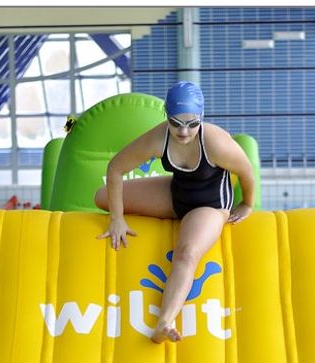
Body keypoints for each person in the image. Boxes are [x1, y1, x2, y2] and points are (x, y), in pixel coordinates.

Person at [95, 81, 255, 344]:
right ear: (166, 115)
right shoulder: (159, 138)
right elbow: (116, 168)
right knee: (102, 197)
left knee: (186, 254)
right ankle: (164, 320)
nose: (183, 131)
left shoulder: (215, 142)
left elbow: (246, 171)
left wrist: (247, 204)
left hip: (210, 206)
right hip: (175, 194)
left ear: (201, 117)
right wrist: (117, 219)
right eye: (176, 123)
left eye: (192, 124)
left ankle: (164, 322)